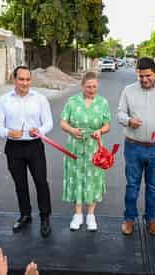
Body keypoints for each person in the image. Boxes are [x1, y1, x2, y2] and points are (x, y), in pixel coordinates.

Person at [117, 57, 155, 236]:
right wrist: (128, 120)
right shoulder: (128, 91)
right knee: (132, 186)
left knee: (153, 187)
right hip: (133, 146)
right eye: (141, 76)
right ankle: (129, 219)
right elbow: (120, 112)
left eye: (148, 76)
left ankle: (151, 219)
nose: (144, 79)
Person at [0, 66, 53, 238]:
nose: (24, 83)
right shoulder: (3, 100)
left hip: (35, 146)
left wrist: (40, 130)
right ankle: (25, 214)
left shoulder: (40, 99)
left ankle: (45, 217)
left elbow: (48, 123)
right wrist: (7, 132)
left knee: (41, 182)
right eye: (21, 79)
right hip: (13, 147)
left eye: (27, 79)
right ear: (14, 79)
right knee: (20, 184)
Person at [60, 71, 111, 231]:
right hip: (75, 146)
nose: (91, 89)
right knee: (77, 177)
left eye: (94, 86)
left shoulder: (102, 102)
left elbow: (107, 124)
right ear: (82, 86)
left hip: (94, 147)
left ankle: (90, 215)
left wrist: (100, 131)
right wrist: (72, 130)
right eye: (88, 86)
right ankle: (77, 214)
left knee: (93, 179)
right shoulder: (72, 101)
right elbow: (62, 122)